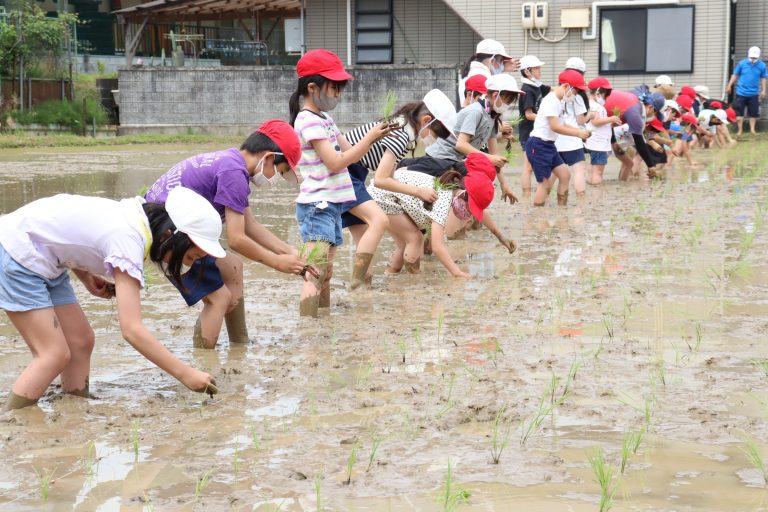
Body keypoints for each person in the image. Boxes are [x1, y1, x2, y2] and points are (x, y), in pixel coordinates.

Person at [0, 187, 223, 410]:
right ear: (168, 236)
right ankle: (12, 423)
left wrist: (86, 276)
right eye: (190, 256)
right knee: (53, 354)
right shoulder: (129, 240)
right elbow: (132, 330)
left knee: (81, 341)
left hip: (47, 258)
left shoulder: (136, 219)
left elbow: (70, 234)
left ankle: (74, 409)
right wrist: (186, 374)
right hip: (18, 252)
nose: (188, 264)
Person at [145, 120, 313, 349]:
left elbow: (250, 225)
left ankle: (239, 344)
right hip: (171, 237)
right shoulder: (234, 172)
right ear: (269, 157)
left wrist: (289, 252)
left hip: (175, 229)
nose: (275, 180)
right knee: (220, 298)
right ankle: (205, 360)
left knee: (234, 267)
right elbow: (237, 239)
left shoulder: (232, 163)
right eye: (280, 172)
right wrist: (278, 263)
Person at [288, 49, 391, 317]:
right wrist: (369, 138)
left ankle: (321, 319)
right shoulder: (307, 120)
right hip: (317, 206)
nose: (338, 94)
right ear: (313, 87)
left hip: (332, 205)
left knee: (327, 272)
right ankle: (309, 328)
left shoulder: (325, 119)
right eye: (334, 87)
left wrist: (376, 138)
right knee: (315, 271)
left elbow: (351, 152)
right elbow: (336, 162)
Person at [341, 89, 457, 288]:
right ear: (426, 120)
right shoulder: (401, 133)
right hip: (345, 172)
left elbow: (390, 176)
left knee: (364, 242)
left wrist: (413, 188)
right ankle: (358, 284)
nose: (433, 140)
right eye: (436, 134)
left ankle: (361, 288)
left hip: (354, 173)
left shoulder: (402, 125)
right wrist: (418, 192)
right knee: (378, 220)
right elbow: (380, 180)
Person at [368, 153, 505, 277]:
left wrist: (499, 236)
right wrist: (457, 273)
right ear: (463, 194)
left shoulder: (450, 186)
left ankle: (391, 275)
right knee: (415, 239)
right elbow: (437, 246)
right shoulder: (443, 200)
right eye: (470, 210)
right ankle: (414, 278)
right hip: (383, 196)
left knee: (406, 242)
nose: (468, 214)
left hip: (385, 194)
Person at [525, 69, 591, 206]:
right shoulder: (551, 100)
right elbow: (555, 127)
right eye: (575, 91)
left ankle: (562, 210)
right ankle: (536, 215)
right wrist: (578, 133)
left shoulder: (559, 101)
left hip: (549, 145)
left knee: (565, 175)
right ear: (566, 86)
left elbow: (563, 123)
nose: (575, 95)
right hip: (538, 145)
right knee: (545, 184)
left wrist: (578, 130)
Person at [604, 86, 665, 180]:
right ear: (651, 107)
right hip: (601, 128)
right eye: (655, 113)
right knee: (598, 166)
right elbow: (640, 142)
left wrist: (613, 141)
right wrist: (651, 166)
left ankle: (622, 185)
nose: (653, 116)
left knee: (628, 162)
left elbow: (609, 117)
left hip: (607, 128)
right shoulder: (636, 115)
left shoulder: (635, 100)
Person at [556, 57, 592, 196]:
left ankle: (546, 201)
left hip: (556, 138)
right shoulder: (578, 95)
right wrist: (592, 115)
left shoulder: (556, 92)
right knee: (579, 170)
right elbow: (581, 119)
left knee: (555, 174)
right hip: (572, 138)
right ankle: (580, 203)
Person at [518, 55, 548, 196]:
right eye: (537, 68)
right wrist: (547, 119)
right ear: (527, 71)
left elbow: (552, 90)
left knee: (533, 165)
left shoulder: (536, 86)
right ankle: (526, 195)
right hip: (528, 132)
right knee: (528, 166)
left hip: (535, 132)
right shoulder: (527, 89)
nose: (539, 70)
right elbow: (529, 114)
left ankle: (530, 193)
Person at [585, 77, 621, 185]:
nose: (606, 97)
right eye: (605, 94)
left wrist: (609, 122)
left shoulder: (588, 104)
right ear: (599, 93)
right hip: (599, 144)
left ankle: (591, 185)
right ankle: (597, 194)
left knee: (593, 166)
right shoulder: (597, 107)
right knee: (599, 171)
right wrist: (612, 118)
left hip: (592, 142)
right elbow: (596, 122)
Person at [727, 46, 768, 136]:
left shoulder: (762, 65)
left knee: (753, 113)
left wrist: (764, 90)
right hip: (741, 92)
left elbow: (764, 78)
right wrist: (729, 85)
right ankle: (740, 130)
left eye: (755, 58)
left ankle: (752, 130)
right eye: (751, 57)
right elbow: (735, 75)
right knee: (739, 112)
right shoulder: (742, 63)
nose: (753, 59)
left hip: (754, 93)